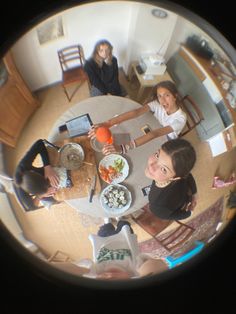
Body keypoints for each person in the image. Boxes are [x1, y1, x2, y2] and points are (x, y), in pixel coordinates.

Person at [88, 80, 186, 155]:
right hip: (153, 128)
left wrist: (124, 148)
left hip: (166, 139)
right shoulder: (157, 104)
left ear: (175, 96)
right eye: (159, 96)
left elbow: (155, 134)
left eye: (167, 95)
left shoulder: (180, 119)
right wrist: (108, 123)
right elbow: (136, 112)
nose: (163, 100)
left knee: (143, 153)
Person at [72, 219, 168, 280]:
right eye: (117, 282)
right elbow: (156, 265)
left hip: (104, 239)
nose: (110, 275)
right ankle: (120, 219)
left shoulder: (96, 271)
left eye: (104, 281)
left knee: (105, 228)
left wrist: (84, 271)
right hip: (124, 236)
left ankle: (107, 221)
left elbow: (79, 266)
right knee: (124, 223)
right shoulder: (134, 270)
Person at [145, 138, 198, 220]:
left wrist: (189, 213)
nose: (152, 166)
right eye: (157, 155)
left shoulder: (157, 205)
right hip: (184, 194)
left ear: (175, 177)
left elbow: (172, 216)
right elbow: (188, 175)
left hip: (177, 204)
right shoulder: (180, 173)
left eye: (164, 169)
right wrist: (195, 193)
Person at [14, 139, 60, 209]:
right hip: (41, 193)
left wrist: (47, 166)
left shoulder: (24, 165)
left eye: (46, 182)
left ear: (33, 172)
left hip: (43, 173)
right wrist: (41, 195)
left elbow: (39, 143)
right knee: (57, 196)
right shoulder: (22, 192)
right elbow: (32, 207)